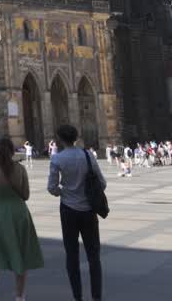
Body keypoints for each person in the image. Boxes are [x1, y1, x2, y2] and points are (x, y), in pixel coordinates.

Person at [0, 137, 43, 301]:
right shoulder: (21, 169)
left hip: (1, 213)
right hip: (20, 213)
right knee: (20, 253)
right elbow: (26, 195)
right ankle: (19, 296)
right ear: (12, 151)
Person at [48, 124, 104, 301]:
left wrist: (64, 191)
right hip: (88, 210)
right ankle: (96, 297)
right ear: (75, 137)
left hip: (68, 210)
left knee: (72, 255)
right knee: (94, 256)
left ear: (60, 139)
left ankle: (77, 296)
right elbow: (102, 183)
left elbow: (52, 188)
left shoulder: (57, 159)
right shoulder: (88, 155)